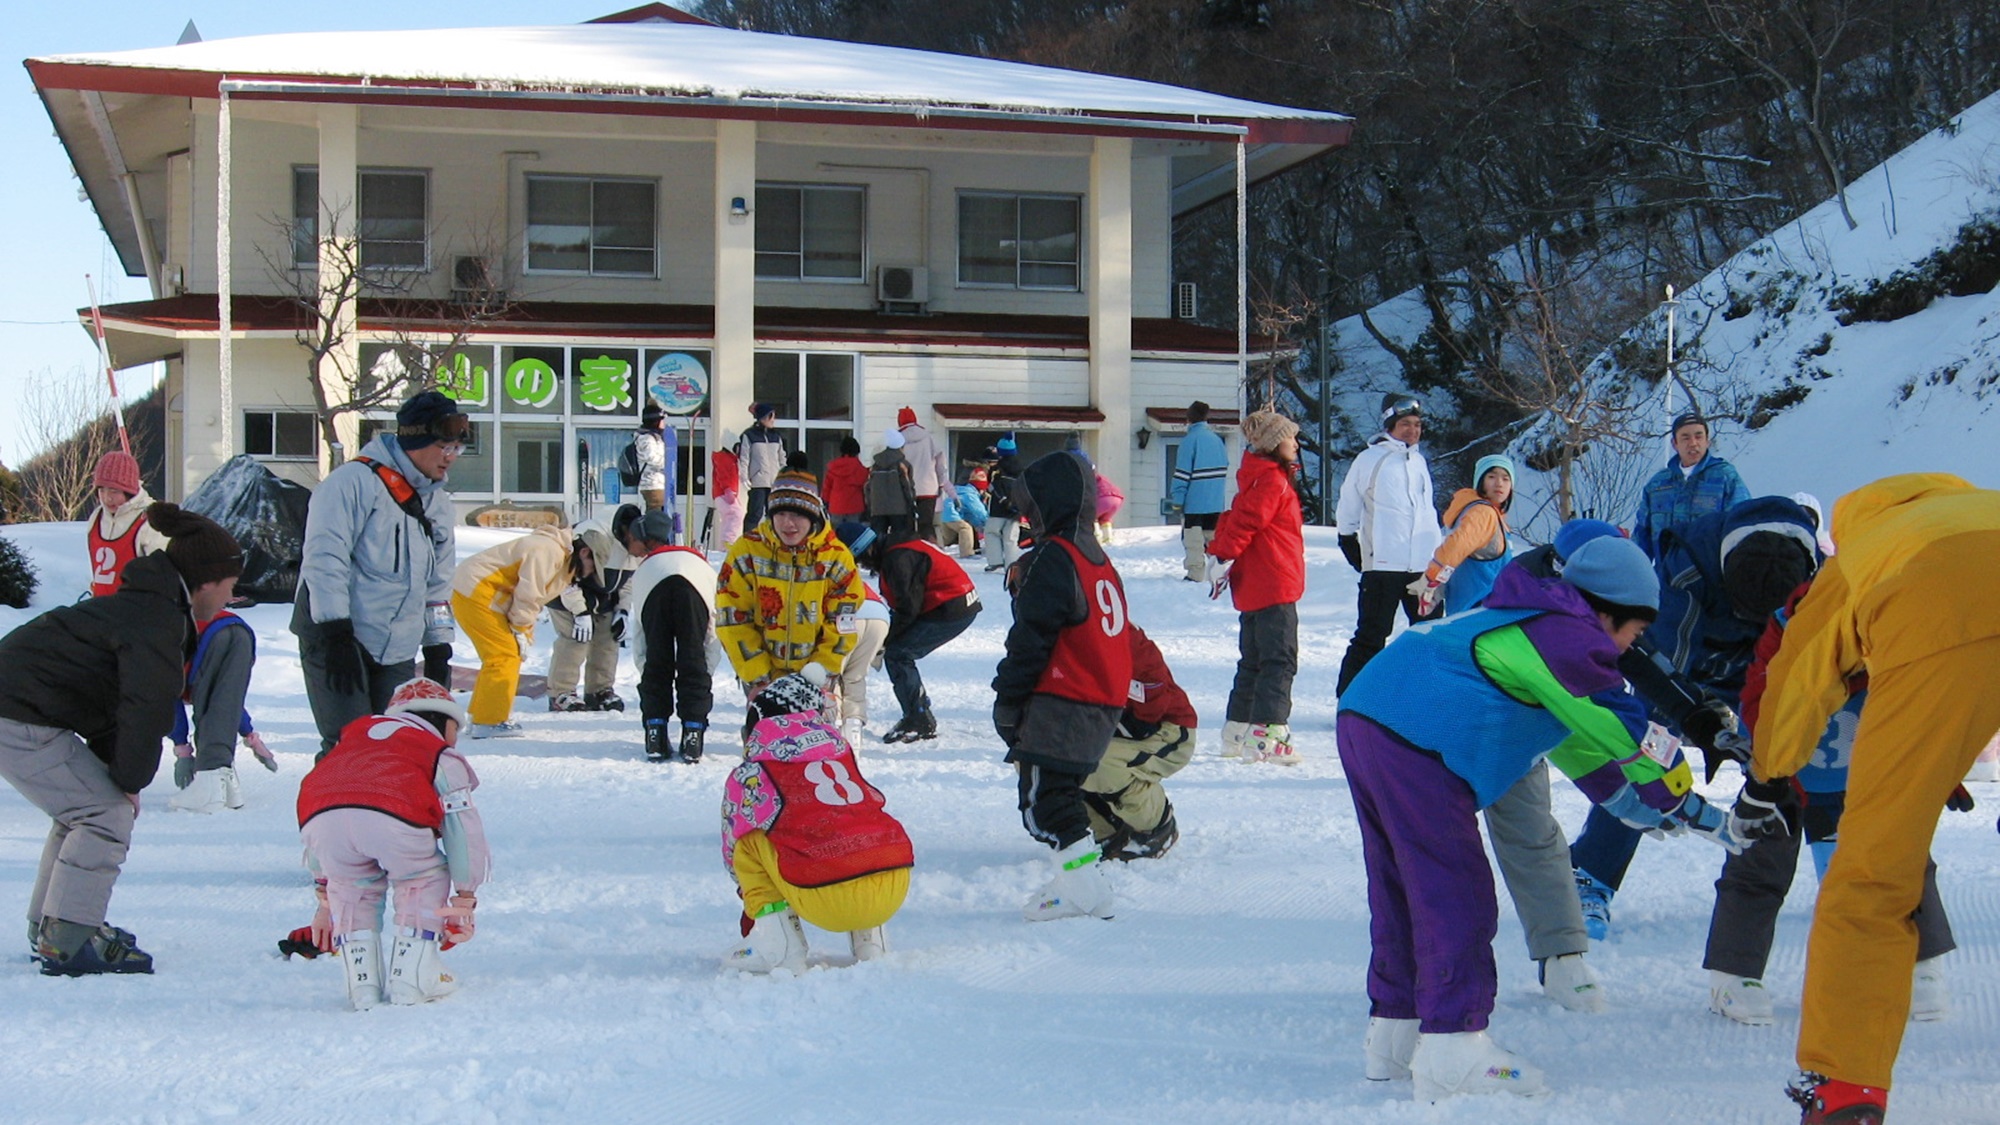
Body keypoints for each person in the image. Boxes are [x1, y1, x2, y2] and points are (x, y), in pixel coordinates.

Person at [1337, 536, 1741, 1101]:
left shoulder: (1530, 620)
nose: (1631, 648)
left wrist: (1644, 810)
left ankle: (1395, 1038)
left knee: (1402, 886)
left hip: (1370, 715)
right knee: (1454, 889)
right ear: (1606, 612)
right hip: (1415, 735)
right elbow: (1623, 727)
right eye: (1634, 631)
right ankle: (1455, 1048)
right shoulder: (1567, 633)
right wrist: (1692, 806)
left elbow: (1583, 747)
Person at [1742, 473, 2000, 1123]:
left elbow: (1797, 680)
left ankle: (1846, 1086)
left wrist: (1769, 774)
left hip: (1935, 631)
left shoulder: (1859, 554)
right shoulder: (1980, 505)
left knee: (1872, 870)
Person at [0, 504, 242, 976]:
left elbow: (112, 708)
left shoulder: (149, 607)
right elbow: (144, 709)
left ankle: (56, 928)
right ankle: (67, 938)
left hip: (20, 708)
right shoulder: (157, 620)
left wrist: (119, 775)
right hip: (16, 712)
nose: (231, 598)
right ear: (207, 581)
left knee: (86, 809)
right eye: (231, 586)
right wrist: (128, 781)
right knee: (102, 813)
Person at [1704, 578, 1956, 1028]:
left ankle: (1920, 965)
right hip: (1786, 765)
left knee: (1901, 850)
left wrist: (1940, 766)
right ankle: (1733, 973)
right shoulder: (1788, 632)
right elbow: (1760, 702)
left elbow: (1929, 704)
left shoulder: (1899, 630)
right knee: (1760, 855)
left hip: (1864, 765)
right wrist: (1770, 771)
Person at [1570, 496, 1819, 938]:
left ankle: (1839, 873)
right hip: (1687, 664)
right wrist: (1698, 720)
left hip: (1767, 668)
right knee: (1644, 755)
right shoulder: (1689, 565)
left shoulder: (1816, 572)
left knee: (1796, 756)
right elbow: (1664, 663)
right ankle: (1591, 874)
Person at [992, 450, 1132, 922]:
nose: (1029, 515)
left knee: (1044, 803)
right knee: (1060, 794)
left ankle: (1085, 891)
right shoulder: (1098, 559)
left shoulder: (1056, 558)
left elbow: (1031, 639)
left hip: (1065, 699)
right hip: (1099, 702)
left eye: (1033, 505)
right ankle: (1076, 878)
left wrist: (1008, 698)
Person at [297, 677, 489, 1010]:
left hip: (319, 815)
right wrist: (466, 893)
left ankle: (362, 986)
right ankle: (412, 978)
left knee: (351, 887)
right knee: (421, 877)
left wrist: (324, 891)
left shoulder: (351, 740)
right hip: (395, 815)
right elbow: (463, 827)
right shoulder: (437, 753)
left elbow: (326, 810)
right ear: (443, 723)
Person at [293, 391, 463, 754]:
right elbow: (325, 559)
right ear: (416, 441)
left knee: (392, 744)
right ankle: (332, 809)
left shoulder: (437, 502)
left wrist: (438, 646)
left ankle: (383, 812)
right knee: (348, 745)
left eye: (456, 449)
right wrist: (335, 633)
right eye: (443, 446)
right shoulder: (352, 483)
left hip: (397, 646)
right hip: (341, 638)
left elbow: (439, 581)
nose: (450, 458)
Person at [722, 666, 913, 973]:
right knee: (851, 822)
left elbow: (733, 845)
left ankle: (781, 946)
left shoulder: (755, 771)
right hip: (892, 883)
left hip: (825, 892)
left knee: (749, 841)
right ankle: (871, 941)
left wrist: (751, 898)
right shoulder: (841, 752)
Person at [715, 469, 867, 730]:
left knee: (811, 753)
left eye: (797, 514)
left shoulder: (835, 557)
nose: (788, 524)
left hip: (816, 680)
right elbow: (732, 616)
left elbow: (843, 621)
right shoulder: (746, 552)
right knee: (765, 752)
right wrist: (759, 677)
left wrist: (819, 674)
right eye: (781, 514)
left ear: (813, 516)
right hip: (762, 677)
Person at [1206, 408, 1306, 763]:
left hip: (1255, 584)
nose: (1296, 443)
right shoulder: (1272, 481)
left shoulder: (1257, 476)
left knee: (1253, 660)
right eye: (1290, 437)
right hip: (1274, 582)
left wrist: (1221, 556)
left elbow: (1237, 519)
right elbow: (1243, 523)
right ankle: (1269, 735)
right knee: (1279, 660)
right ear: (1274, 443)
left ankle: (1238, 729)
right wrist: (1221, 554)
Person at [1334, 392, 1442, 695]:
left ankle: (1423, 696)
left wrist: (1438, 555)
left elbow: (1426, 511)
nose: (1412, 430)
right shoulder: (1370, 459)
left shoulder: (1419, 461)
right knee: (1373, 634)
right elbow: (1349, 503)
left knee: (1428, 633)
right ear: (1389, 426)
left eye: (1417, 424)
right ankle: (1351, 697)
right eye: (1405, 424)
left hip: (1422, 566)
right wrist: (1348, 539)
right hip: (1384, 564)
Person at [449, 525, 595, 738]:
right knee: (503, 655)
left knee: (503, 655)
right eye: (594, 565)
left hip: (482, 593)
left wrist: (524, 630)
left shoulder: (562, 560)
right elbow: (529, 594)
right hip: (476, 591)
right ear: (584, 553)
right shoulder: (548, 551)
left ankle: (482, 715)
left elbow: (549, 592)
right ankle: (489, 720)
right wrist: (520, 628)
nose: (591, 573)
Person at [854, 522, 982, 743]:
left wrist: (884, 639)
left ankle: (918, 718)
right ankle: (917, 710)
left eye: (860, 561)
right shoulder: (897, 546)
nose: (864, 567)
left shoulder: (897, 558)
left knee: (898, 654)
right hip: (957, 600)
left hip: (952, 606)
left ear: (867, 550)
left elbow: (908, 608)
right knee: (897, 650)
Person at [1081, 624, 1195, 862]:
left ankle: (1157, 824)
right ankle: (1109, 829)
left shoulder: (1113, 630)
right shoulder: (1050, 636)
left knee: (1099, 762)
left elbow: (1153, 685)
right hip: (1115, 732)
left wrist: (1132, 723)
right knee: (1050, 759)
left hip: (1169, 729)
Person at [166, 600, 275, 814]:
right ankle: (229, 789)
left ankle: (209, 789)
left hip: (208, 636)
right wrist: (251, 736)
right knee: (219, 705)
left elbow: (166, 700)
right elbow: (229, 701)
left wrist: (183, 750)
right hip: (238, 629)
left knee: (208, 714)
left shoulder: (150, 651)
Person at [626, 510, 717, 764]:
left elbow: (640, 634)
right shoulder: (698, 561)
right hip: (697, 584)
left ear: (644, 538)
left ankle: (655, 733)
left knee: (658, 659)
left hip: (652, 584)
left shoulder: (645, 568)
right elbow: (711, 631)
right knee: (692, 657)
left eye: (632, 539)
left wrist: (646, 669)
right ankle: (693, 735)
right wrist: (706, 669)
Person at [547, 506, 640, 714]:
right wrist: (580, 612)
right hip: (566, 593)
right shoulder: (591, 537)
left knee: (608, 638)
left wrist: (623, 610)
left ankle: (599, 690)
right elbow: (567, 576)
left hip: (602, 595)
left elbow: (627, 580)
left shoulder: (638, 546)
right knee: (575, 639)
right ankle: (560, 692)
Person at [1631, 411, 1749, 557]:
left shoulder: (1725, 477)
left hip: (1711, 574)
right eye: (1685, 437)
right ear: (1675, 444)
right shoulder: (1657, 485)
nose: (1693, 443)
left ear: (1707, 441)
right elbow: (1641, 538)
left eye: (1698, 436)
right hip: (1667, 576)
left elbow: (1742, 526)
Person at [1409, 454, 1514, 616]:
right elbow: (1455, 548)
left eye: (1506, 479)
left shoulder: (1485, 512)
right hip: (1481, 608)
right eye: (1492, 476)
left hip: (1472, 606)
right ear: (1480, 481)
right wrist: (1431, 578)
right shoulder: (1483, 513)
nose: (1499, 483)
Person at [831, 523, 893, 747]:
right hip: (878, 614)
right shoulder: (850, 568)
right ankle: (853, 734)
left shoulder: (822, 561)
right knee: (855, 677)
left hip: (847, 614)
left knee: (832, 675)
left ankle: (832, 733)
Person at [82, 449, 168, 597]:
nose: (107, 498)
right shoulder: (97, 517)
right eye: (102, 490)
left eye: (114, 491)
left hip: (136, 611)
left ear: (128, 491)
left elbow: (165, 575)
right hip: (102, 608)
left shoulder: (149, 519)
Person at [1169, 400, 1230, 582]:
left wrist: (1177, 501)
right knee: (1212, 537)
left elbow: (1182, 474)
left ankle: (1195, 574)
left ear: (1189, 418)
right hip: (1215, 501)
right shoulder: (1217, 440)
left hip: (1195, 502)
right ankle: (1219, 572)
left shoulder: (1190, 441)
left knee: (1193, 540)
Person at [895, 406, 950, 542]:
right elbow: (940, 463)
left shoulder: (898, 440)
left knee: (907, 526)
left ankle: (909, 551)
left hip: (905, 489)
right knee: (926, 525)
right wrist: (941, 482)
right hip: (928, 487)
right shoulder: (928, 437)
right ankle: (931, 551)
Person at [738, 402, 787, 530]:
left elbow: (782, 458)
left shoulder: (776, 436)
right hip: (758, 482)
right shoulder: (749, 435)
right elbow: (744, 458)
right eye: (771, 416)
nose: (773, 420)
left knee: (774, 515)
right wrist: (744, 477)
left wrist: (784, 476)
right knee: (755, 514)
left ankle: (774, 542)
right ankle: (748, 542)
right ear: (763, 417)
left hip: (775, 483)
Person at [982, 433, 1025, 573]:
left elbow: (993, 486)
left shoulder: (997, 469)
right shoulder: (1021, 468)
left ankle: (995, 562)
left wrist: (1000, 498)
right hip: (1017, 507)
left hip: (999, 507)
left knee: (991, 532)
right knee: (1011, 537)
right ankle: (1011, 564)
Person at [866, 429, 918, 542]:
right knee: (900, 539)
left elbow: (868, 487)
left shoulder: (875, 465)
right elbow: (907, 487)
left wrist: (871, 505)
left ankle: (879, 558)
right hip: (899, 509)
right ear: (901, 446)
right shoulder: (903, 464)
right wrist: (911, 504)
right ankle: (896, 558)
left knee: (877, 539)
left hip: (878, 508)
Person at [634, 402, 675, 514]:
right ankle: (651, 531)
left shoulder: (655, 436)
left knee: (658, 514)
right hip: (652, 484)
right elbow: (652, 458)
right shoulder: (646, 438)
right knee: (656, 516)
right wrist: (668, 463)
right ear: (655, 421)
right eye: (662, 420)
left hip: (658, 482)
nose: (664, 423)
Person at [822, 435, 870, 527]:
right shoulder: (860, 468)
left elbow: (826, 488)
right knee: (853, 536)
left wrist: (826, 502)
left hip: (836, 506)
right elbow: (865, 486)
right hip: (855, 507)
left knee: (836, 535)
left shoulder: (833, 467)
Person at [710, 443, 745, 552]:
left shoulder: (730, 459)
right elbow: (723, 474)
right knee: (735, 515)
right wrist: (727, 490)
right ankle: (727, 543)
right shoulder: (725, 458)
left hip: (724, 493)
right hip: (725, 493)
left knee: (728, 518)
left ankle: (725, 544)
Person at [934, 484, 977, 558]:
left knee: (946, 537)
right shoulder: (970, 495)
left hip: (942, 513)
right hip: (949, 515)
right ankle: (966, 553)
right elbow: (979, 512)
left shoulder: (960, 491)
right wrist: (986, 523)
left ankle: (937, 550)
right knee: (965, 528)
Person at [1093, 471, 1124, 544]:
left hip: (1103, 497)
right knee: (1105, 519)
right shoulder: (1102, 478)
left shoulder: (1087, 478)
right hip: (1117, 499)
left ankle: (1096, 537)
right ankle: (1108, 538)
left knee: (1090, 516)